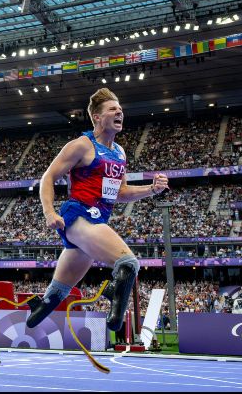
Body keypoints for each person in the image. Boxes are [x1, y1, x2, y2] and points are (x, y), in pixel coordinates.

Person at [26, 88, 168, 332]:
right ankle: (112, 291)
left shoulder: (120, 153)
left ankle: (36, 307)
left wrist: (151, 190)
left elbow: (120, 192)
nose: (119, 112)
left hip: (95, 222)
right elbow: (48, 177)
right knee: (128, 264)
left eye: (120, 109)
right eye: (112, 109)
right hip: (78, 216)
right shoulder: (82, 145)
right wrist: (49, 212)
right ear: (96, 117)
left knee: (53, 298)